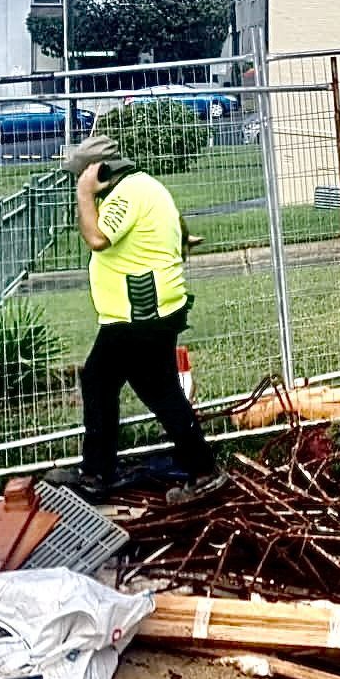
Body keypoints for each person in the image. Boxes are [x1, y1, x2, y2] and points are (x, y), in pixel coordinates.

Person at [65, 133, 222, 504]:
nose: (76, 182)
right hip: (144, 312)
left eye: (80, 175)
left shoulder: (128, 194)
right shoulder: (143, 187)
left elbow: (98, 238)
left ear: (99, 171)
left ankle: (200, 472)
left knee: (130, 387)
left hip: (138, 314)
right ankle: (99, 470)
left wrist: (85, 193)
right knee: (112, 384)